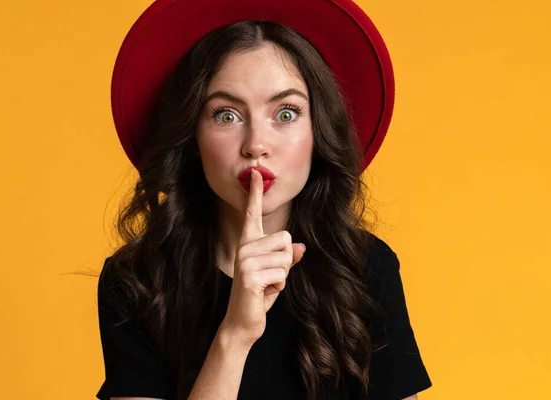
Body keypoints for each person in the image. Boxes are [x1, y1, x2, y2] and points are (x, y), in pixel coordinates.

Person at [96, 0, 432, 399]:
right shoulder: (137, 281)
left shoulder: (366, 268)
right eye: (226, 115)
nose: (256, 145)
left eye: (286, 113)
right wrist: (235, 335)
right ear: (191, 138)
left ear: (319, 132)